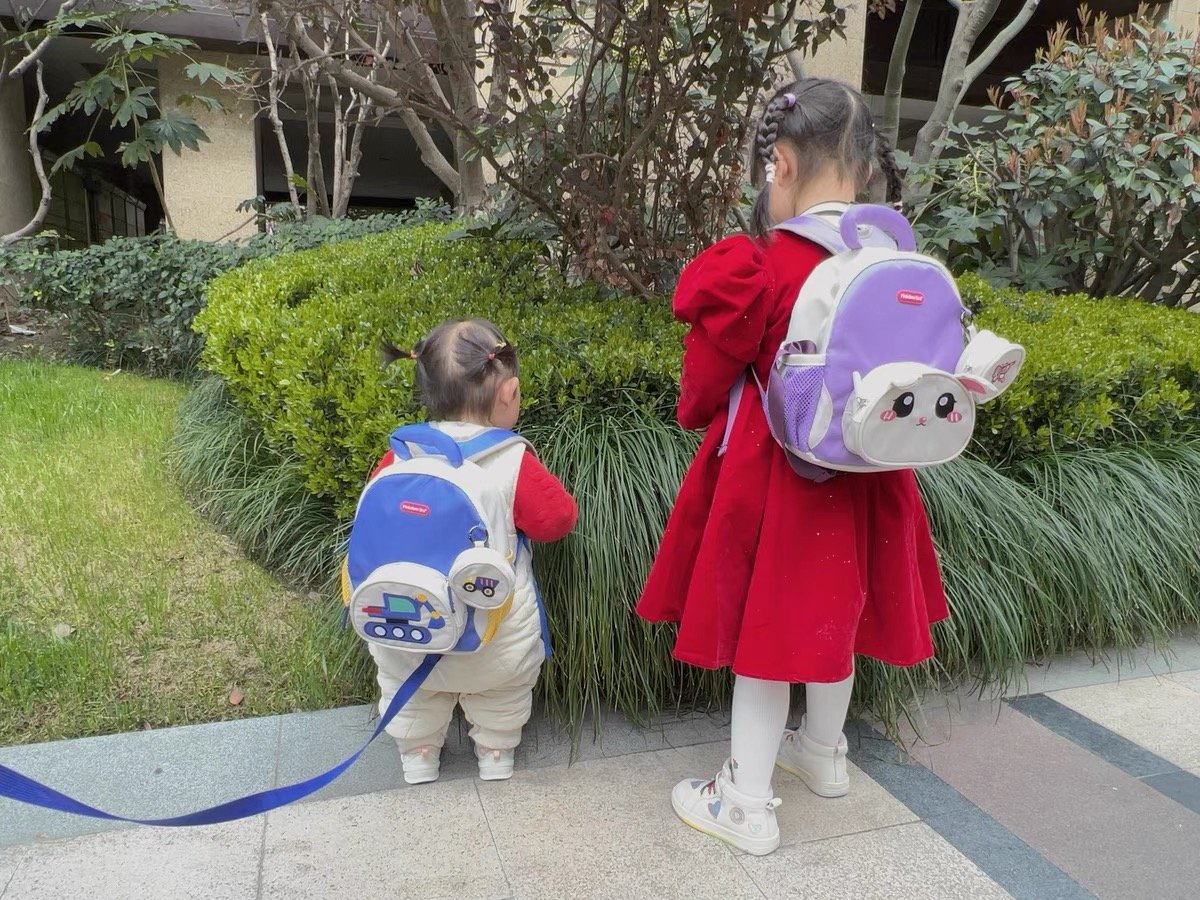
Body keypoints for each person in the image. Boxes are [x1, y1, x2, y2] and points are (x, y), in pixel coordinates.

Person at [636, 78, 949, 855]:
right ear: (865, 169)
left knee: (767, 636)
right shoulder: (891, 259)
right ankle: (822, 754)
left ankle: (745, 803)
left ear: (778, 162)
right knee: (838, 613)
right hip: (872, 476)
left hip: (774, 479)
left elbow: (704, 383)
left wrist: (696, 410)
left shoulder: (763, 264)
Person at [370, 318, 577, 784]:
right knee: (501, 688)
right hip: (493, 635)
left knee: (411, 689)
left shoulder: (399, 455)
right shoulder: (512, 460)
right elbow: (558, 519)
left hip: (408, 631)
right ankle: (496, 751)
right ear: (510, 392)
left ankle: (418, 753)